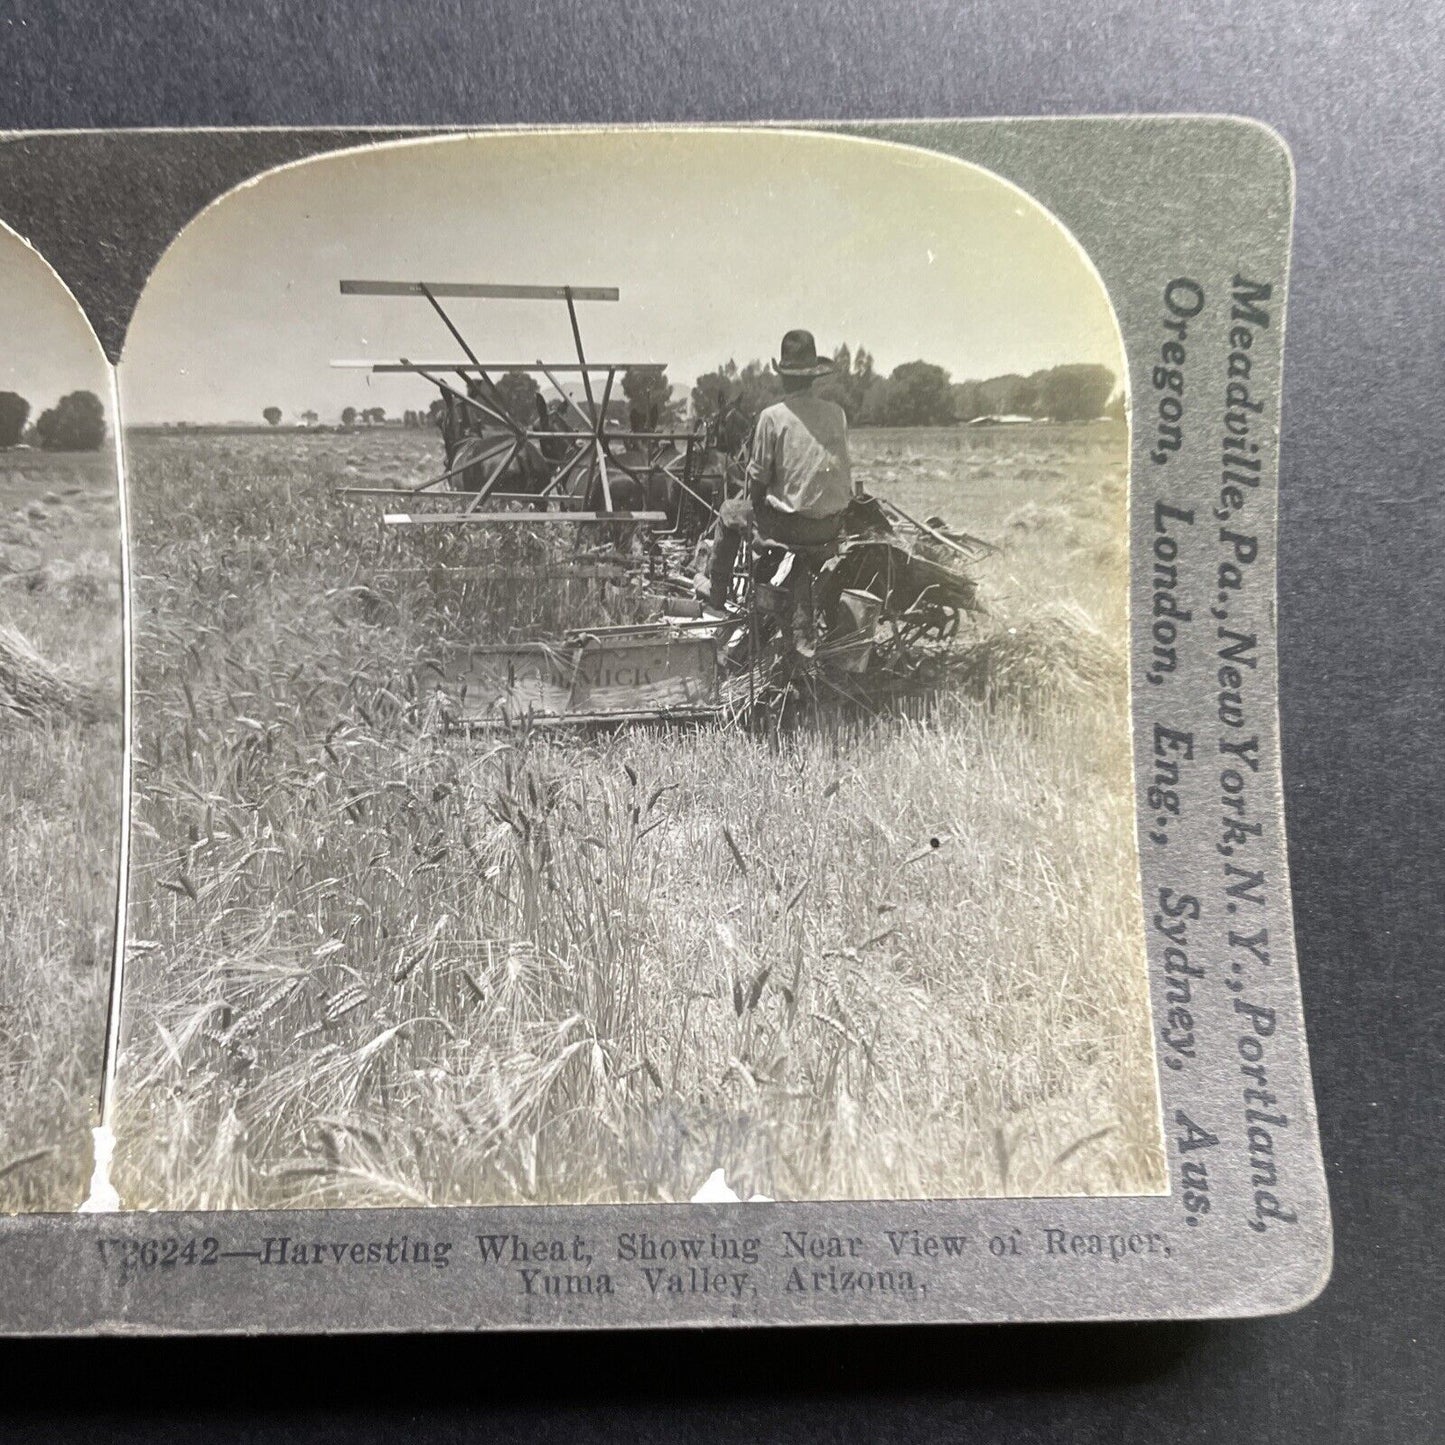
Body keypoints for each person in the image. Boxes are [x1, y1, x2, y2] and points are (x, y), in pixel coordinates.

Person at [707, 331, 859, 650]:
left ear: (783, 378)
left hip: (791, 529)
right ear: (814, 378)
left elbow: (757, 484)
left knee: (728, 512)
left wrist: (757, 513)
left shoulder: (772, 417)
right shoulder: (837, 414)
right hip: (832, 526)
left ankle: (715, 601)